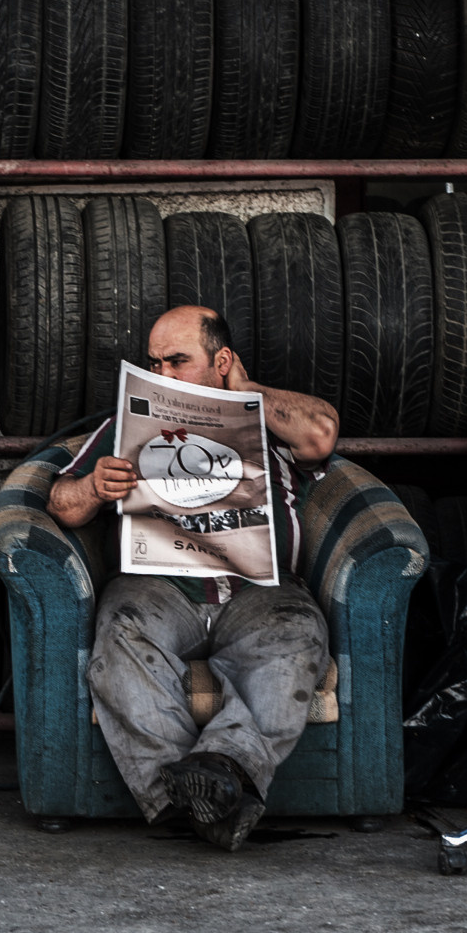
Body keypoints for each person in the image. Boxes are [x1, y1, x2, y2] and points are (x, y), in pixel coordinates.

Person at [43, 304, 338, 850]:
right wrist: (92, 490)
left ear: (221, 360)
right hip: (158, 591)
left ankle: (219, 771)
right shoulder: (127, 423)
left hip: (259, 593)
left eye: (179, 361)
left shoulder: (267, 420)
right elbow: (61, 501)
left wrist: (246, 391)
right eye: (155, 363)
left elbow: (320, 433)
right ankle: (210, 798)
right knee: (119, 636)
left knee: (297, 640)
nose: (163, 376)